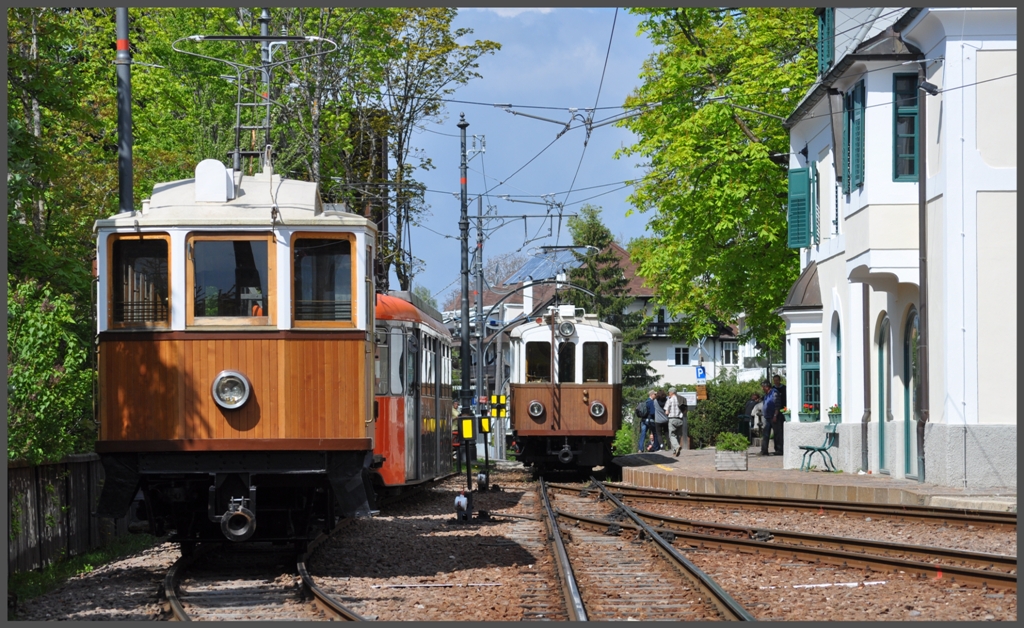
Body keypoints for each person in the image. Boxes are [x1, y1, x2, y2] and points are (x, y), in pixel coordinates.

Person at [759, 381, 782, 456]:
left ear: (767, 387)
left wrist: (775, 415)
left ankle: (779, 450)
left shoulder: (774, 393)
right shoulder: (766, 394)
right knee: (765, 434)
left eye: (763, 387)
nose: (762, 388)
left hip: (774, 416)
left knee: (777, 434)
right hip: (767, 417)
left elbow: (777, 405)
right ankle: (764, 450)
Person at [665, 387, 687, 456]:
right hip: (680, 419)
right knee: (678, 435)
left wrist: (667, 412)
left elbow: (666, 412)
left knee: (672, 435)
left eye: (669, 392)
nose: (669, 394)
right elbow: (685, 410)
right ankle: (675, 451)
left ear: (671, 392)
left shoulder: (669, 400)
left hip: (672, 419)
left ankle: (677, 447)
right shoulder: (680, 399)